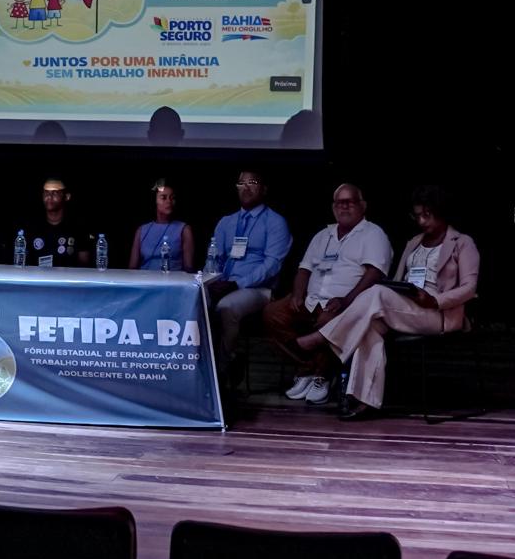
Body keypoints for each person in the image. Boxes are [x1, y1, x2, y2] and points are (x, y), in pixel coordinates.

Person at [297, 185, 479, 420]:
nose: (421, 221)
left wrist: (435, 300)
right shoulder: (414, 242)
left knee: (376, 293)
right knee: (368, 326)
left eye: (427, 215)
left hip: (438, 313)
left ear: (441, 213)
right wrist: (401, 290)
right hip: (406, 305)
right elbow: (400, 279)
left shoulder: (462, 242)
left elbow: (469, 288)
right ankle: (364, 400)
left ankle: (325, 337)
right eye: (417, 216)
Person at [264, 184, 392, 405]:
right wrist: (297, 294)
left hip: (347, 304)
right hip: (311, 300)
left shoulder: (373, 234)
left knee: (328, 321)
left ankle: (322, 376)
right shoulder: (323, 235)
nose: (344, 207)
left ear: (363, 206)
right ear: (333, 208)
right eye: (339, 203)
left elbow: (375, 273)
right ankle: (306, 368)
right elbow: (304, 269)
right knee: (272, 313)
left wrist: (346, 301)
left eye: (350, 202)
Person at [205, 170, 292, 374]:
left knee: (227, 307)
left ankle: (222, 370)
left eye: (252, 182)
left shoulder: (275, 222)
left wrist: (237, 284)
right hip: (225, 283)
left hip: (258, 288)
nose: (246, 187)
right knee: (194, 301)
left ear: (264, 189)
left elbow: (272, 265)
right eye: (241, 183)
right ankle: (197, 365)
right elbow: (214, 259)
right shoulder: (226, 222)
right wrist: (210, 282)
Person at [20, 178, 94, 267]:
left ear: (67, 197)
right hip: (38, 275)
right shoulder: (32, 225)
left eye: (55, 193)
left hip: (68, 275)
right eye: (46, 193)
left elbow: (84, 264)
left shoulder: (78, 226)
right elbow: (22, 259)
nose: (49, 197)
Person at [129, 179, 195, 271]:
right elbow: (132, 268)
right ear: (154, 201)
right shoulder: (141, 230)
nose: (169, 201)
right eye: (164, 197)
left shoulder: (184, 229)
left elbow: (189, 268)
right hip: (145, 279)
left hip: (173, 279)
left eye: (172, 198)